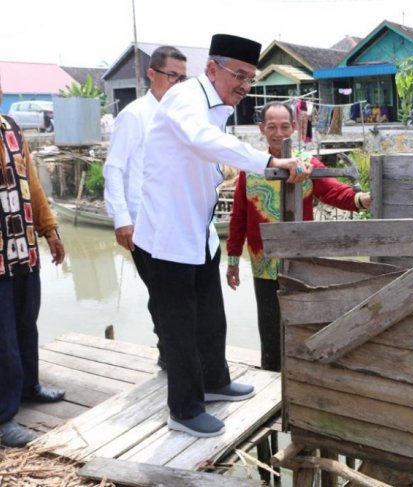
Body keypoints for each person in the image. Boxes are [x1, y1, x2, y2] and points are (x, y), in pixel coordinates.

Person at [132, 34, 311, 439]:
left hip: (198, 233)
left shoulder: (216, 105)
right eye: (239, 75)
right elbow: (205, 141)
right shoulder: (185, 99)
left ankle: (215, 381)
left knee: (211, 318)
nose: (245, 86)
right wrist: (268, 161)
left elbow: (211, 154)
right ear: (212, 69)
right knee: (180, 327)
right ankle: (184, 408)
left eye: (251, 78)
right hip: (167, 238)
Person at [225, 101, 372, 372]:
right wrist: (233, 258)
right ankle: (271, 377)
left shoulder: (306, 164)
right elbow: (239, 217)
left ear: (294, 127)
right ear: (261, 129)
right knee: (269, 326)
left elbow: (333, 192)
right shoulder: (252, 167)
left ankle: (303, 378)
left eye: (284, 126)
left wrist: (362, 200)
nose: (279, 133)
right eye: (272, 127)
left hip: (301, 259)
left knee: (304, 323)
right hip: (264, 262)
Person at [103, 46, 187, 370]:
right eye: (171, 76)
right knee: (162, 292)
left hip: (175, 221)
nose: (177, 84)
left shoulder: (180, 116)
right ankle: (170, 354)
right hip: (143, 223)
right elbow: (114, 168)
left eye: (182, 78)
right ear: (152, 74)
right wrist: (122, 220)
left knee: (177, 291)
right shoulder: (135, 115)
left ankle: (177, 351)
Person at [0, 77, 66, 448]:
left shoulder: (10, 127)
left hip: (22, 248)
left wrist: (49, 230)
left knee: (26, 325)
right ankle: (3, 415)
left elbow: (33, 186)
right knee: (2, 338)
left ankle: (29, 386)